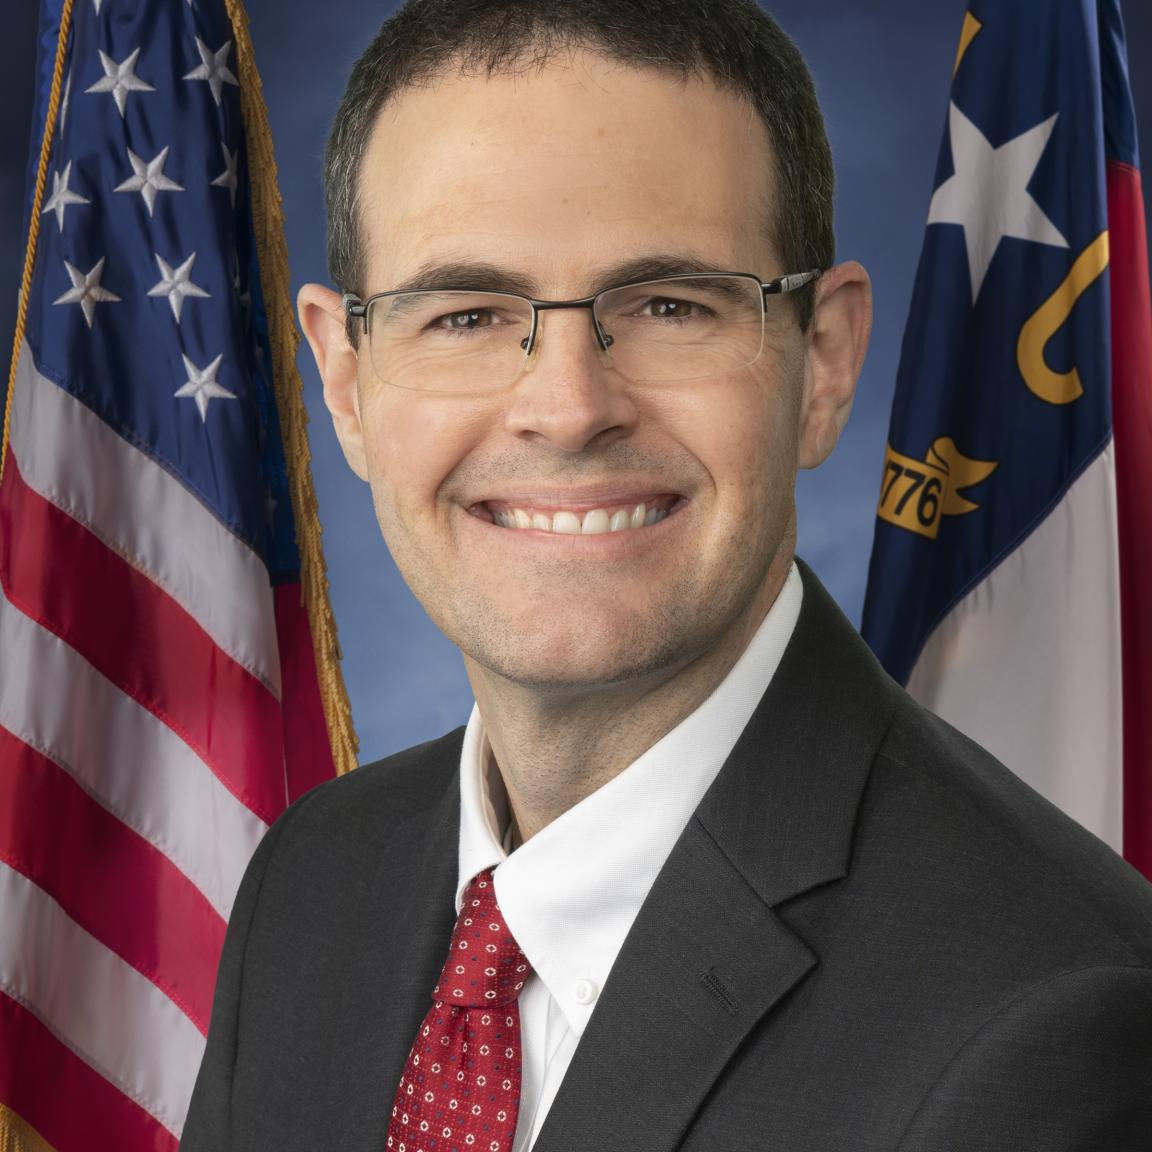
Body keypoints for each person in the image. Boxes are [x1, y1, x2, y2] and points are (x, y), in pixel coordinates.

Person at [181, 1, 1152, 1148]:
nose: (568, 408)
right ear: (346, 381)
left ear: (825, 361)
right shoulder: (313, 881)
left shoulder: (1054, 1032)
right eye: (468, 314)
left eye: (669, 306)